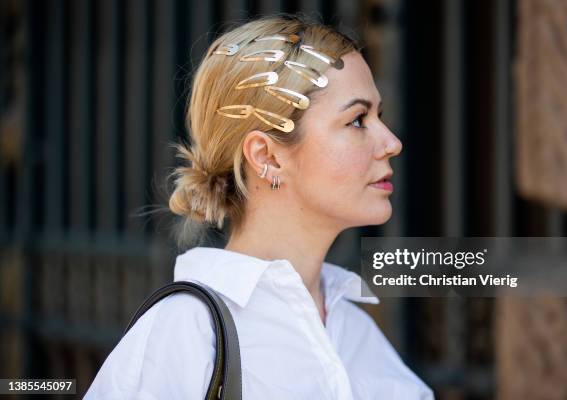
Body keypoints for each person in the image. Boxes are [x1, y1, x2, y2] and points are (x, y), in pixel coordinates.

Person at [84, 13, 435, 400]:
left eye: (378, 115)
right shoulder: (187, 332)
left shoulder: (354, 329)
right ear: (267, 156)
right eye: (357, 120)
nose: (391, 142)